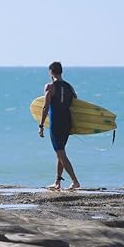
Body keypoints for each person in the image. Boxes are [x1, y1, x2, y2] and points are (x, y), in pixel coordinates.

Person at [38, 62, 80, 190]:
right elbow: (76, 103)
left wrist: (41, 125)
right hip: (67, 123)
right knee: (60, 152)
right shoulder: (70, 87)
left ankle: (75, 181)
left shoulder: (50, 87)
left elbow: (45, 107)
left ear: (51, 72)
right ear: (61, 72)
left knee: (61, 153)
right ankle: (57, 182)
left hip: (56, 123)